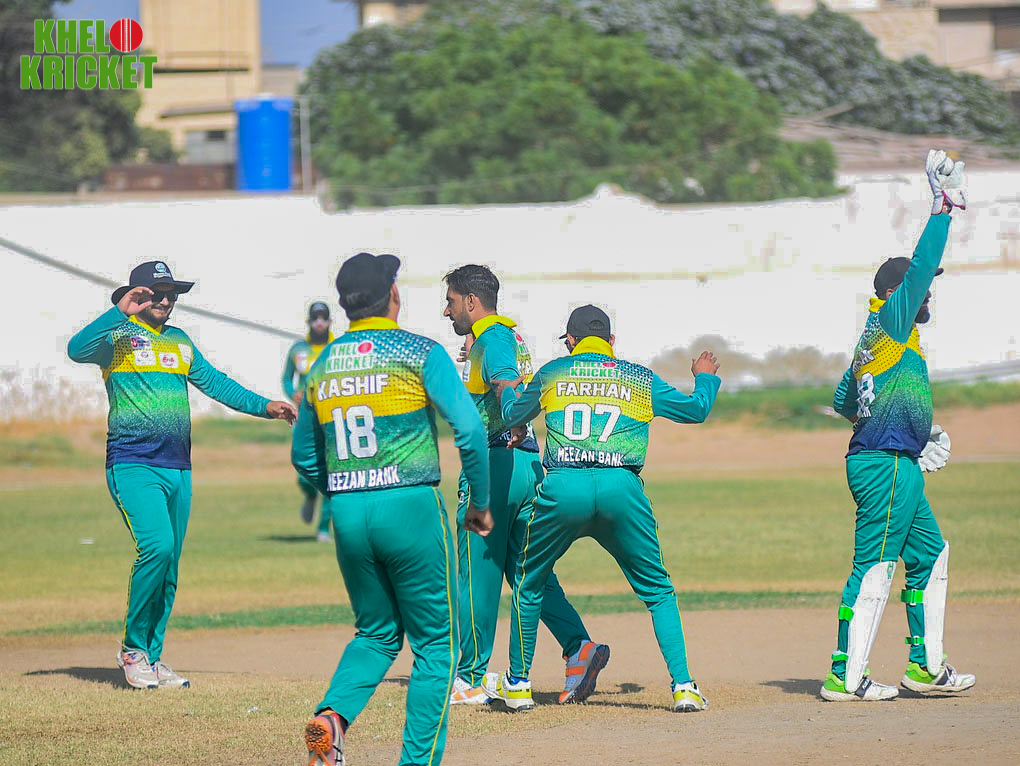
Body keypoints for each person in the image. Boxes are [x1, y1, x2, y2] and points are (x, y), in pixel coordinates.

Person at [292, 253, 492, 766]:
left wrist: (345, 490)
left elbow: (304, 456)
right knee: (437, 645)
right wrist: (480, 503)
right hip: (410, 506)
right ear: (394, 296)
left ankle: (331, 720)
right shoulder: (418, 351)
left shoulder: (321, 365)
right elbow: (470, 430)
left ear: (344, 305)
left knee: (376, 633)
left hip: (348, 513)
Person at [67, 260, 296, 690]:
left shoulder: (180, 341)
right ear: (137, 296)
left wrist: (265, 406)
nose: (166, 300)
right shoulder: (116, 337)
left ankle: (152, 659)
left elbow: (218, 384)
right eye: (156, 293)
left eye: (171, 293)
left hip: (178, 467)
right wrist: (119, 311)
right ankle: (132, 651)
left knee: (169, 565)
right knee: (157, 547)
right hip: (133, 463)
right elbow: (76, 349)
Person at [484, 305, 721, 712]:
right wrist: (706, 378)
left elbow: (511, 415)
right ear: (611, 341)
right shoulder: (639, 377)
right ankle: (684, 686)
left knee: (529, 582)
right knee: (658, 591)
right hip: (622, 491)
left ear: (570, 341)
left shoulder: (554, 372)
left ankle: (519, 685)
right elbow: (695, 410)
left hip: (564, 488)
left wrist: (506, 387)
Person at [820, 151, 976, 701]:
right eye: (921, 286)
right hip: (883, 467)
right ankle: (845, 676)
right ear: (897, 294)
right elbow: (921, 266)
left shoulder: (884, 341)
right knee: (874, 567)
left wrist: (916, 430)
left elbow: (844, 399)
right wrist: (943, 207)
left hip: (893, 460)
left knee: (931, 554)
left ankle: (925, 667)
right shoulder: (889, 321)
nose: (928, 292)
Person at [442, 265, 607, 708]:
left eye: (451, 302)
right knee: (528, 573)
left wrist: (509, 412)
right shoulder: (508, 336)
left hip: (493, 467)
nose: (447, 311)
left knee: (477, 573)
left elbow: (505, 382)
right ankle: (579, 647)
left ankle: (470, 678)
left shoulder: (493, 340)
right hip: (528, 467)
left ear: (471, 302)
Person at [282, 300, 336, 540]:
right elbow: (286, 379)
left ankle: (323, 528)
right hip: (305, 417)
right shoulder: (298, 350)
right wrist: (292, 393)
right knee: (303, 469)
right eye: (315, 318)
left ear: (330, 321)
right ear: (309, 322)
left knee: (332, 471)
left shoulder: (336, 348)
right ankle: (310, 494)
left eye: (323, 318)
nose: (319, 323)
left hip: (330, 416)